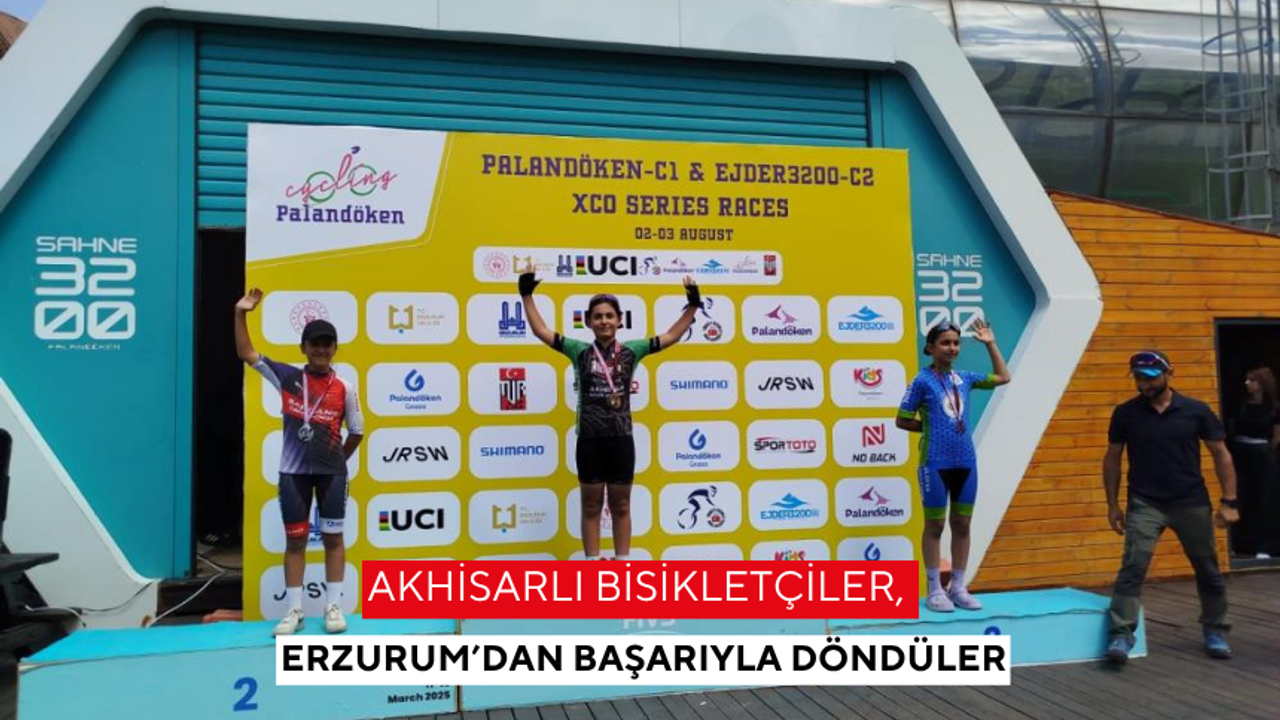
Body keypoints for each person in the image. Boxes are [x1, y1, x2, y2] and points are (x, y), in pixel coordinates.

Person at [520, 272, 701, 560]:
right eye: (597, 316)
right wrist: (526, 296)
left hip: (621, 439)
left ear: (619, 320)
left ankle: (622, 563)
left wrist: (692, 306)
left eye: (609, 316)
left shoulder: (632, 351)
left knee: (621, 506)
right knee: (591, 506)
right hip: (589, 440)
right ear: (588, 322)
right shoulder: (578, 350)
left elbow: (671, 336)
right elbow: (541, 331)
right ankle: (592, 563)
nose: (604, 321)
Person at [234, 288, 364, 636]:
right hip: (293, 474)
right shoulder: (288, 377)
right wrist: (240, 313)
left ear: (335, 349)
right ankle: (294, 611)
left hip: (332, 476)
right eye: (314, 344)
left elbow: (357, 430)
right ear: (303, 348)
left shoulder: (345, 387)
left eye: (327, 344)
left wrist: (338, 460)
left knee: (334, 539)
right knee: (296, 541)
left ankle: (333, 607)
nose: (321, 349)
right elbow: (246, 353)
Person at [1102, 350, 1239, 664]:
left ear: (1168, 373)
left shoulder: (1196, 411)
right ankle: (1121, 634)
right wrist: (1112, 504)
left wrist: (1229, 500)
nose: (1144, 385)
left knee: (1208, 570)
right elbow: (1112, 459)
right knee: (1133, 568)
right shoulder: (1125, 414)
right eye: (1139, 378)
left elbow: (1221, 454)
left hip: (1191, 502)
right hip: (1145, 502)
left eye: (1150, 378)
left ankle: (1215, 630)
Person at [896, 319, 1011, 612]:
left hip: (966, 462)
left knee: (962, 524)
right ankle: (934, 589)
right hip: (934, 462)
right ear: (931, 348)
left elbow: (1003, 376)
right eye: (945, 343)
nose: (952, 348)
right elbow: (902, 419)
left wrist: (990, 343)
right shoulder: (922, 380)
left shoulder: (965, 378)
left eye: (956, 343)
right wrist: (931, 427)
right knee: (935, 525)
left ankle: (958, 587)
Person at [1228, 367, 1280, 559]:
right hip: (1240, 452)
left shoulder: (1274, 408)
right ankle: (1236, 543)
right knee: (1239, 496)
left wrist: (1265, 451)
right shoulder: (1241, 404)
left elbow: (1276, 437)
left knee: (1266, 499)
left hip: (1262, 454)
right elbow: (1231, 429)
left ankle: (1266, 546)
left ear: (1262, 383)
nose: (1247, 383)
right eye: (1247, 380)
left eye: (1252, 380)